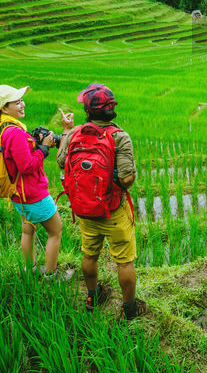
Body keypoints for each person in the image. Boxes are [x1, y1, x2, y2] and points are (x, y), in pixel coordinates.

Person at [59, 83, 147, 320]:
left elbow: (61, 162)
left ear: (88, 111)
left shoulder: (76, 133)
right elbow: (127, 178)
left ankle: (92, 296)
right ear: (112, 110)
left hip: (85, 210)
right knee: (124, 261)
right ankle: (129, 308)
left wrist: (66, 131)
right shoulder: (119, 136)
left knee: (89, 255)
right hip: (113, 209)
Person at [0, 84, 65, 278]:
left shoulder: (4, 126)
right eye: (17, 102)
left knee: (28, 230)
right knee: (56, 231)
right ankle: (51, 276)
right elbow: (27, 166)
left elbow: (17, 157)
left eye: (22, 100)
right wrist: (44, 148)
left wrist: (34, 143)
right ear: (4, 108)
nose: (22, 104)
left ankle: (29, 269)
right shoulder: (14, 132)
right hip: (33, 194)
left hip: (18, 193)